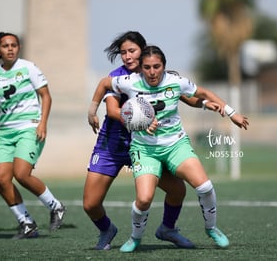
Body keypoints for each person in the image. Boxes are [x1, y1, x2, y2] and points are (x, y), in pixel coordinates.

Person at [89, 45, 249, 252]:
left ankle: (211, 228)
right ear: (141, 68)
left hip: (176, 145)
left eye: (157, 66)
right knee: (144, 199)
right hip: (145, 150)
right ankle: (135, 238)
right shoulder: (129, 82)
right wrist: (92, 111)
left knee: (205, 187)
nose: (152, 72)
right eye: (147, 67)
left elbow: (203, 92)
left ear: (164, 66)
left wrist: (231, 112)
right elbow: (103, 83)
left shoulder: (176, 82)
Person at [86, 31, 201, 250]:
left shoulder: (154, 73)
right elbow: (112, 111)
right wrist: (141, 120)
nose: (127, 56)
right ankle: (106, 229)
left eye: (132, 51)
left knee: (178, 190)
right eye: (123, 53)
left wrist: (208, 103)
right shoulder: (118, 77)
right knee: (90, 204)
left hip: (145, 145)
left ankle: (168, 228)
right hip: (112, 144)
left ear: (143, 50)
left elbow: (185, 96)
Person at [0, 32, 66, 239]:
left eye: (14, 45)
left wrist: (42, 123)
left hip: (29, 127)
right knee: (0, 179)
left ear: (18, 48)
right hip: (5, 132)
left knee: (22, 173)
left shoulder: (28, 67)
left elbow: (46, 96)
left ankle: (56, 206)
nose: (10, 49)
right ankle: (26, 222)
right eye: (5, 46)